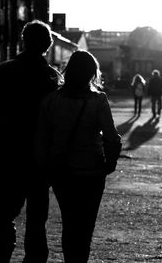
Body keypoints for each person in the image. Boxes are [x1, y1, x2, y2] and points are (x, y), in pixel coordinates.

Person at [0, 20, 62, 262]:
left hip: (9, 153)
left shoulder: (3, 71)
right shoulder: (53, 78)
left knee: (4, 213)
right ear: (48, 45)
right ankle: (34, 259)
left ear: (23, 40)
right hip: (40, 159)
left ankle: (0, 257)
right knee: (36, 217)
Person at [35, 50, 122, 262]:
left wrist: (43, 168)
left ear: (69, 70)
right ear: (92, 73)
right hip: (91, 172)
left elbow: (42, 138)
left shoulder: (51, 100)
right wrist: (109, 163)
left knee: (70, 222)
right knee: (86, 226)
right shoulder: (98, 100)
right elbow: (112, 137)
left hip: (62, 172)